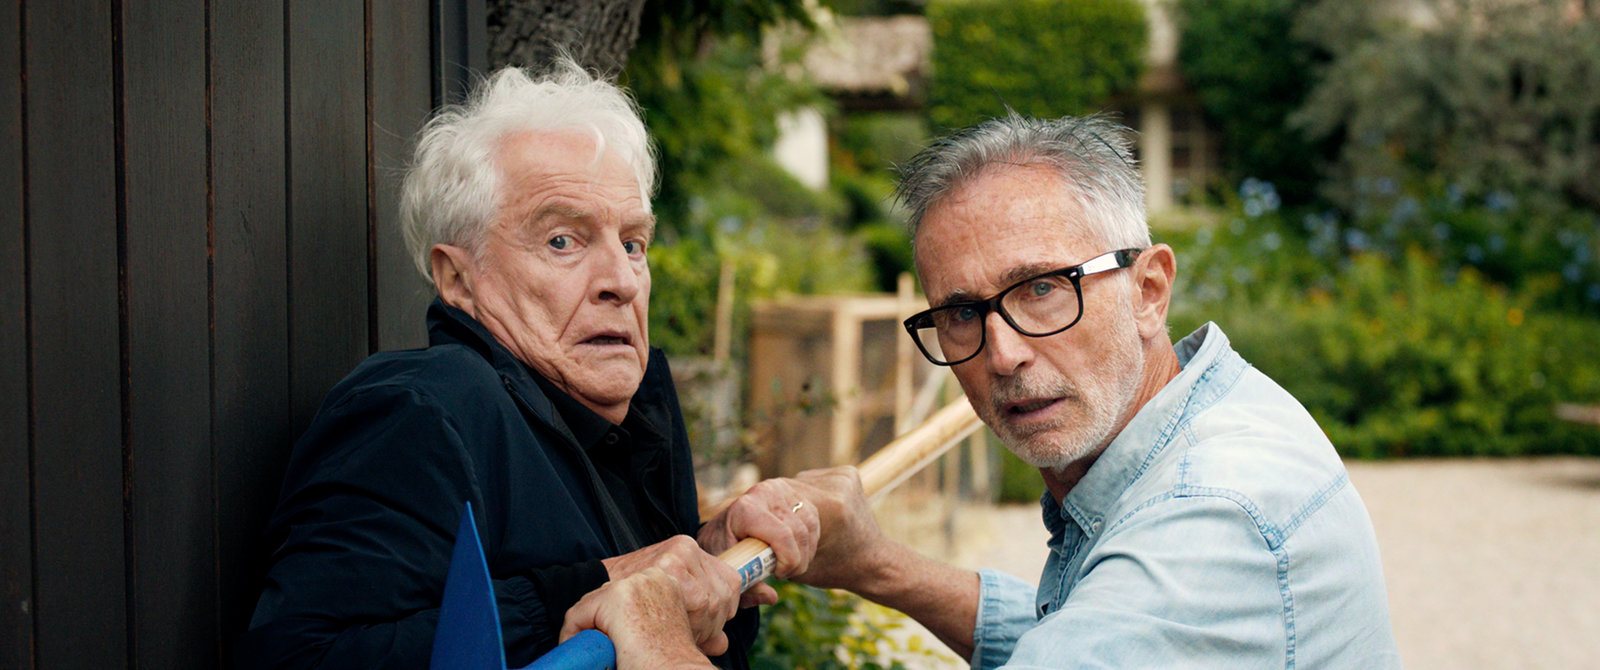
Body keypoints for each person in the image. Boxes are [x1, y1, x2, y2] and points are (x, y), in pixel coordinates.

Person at [569, 112, 1402, 669]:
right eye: (963, 312)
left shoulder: (1212, 520)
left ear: (1149, 290)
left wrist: (656, 642)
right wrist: (874, 564)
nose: (1002, 354)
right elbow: (1068, 637)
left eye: (1042, 289)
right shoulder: (1211, 416)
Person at [235, 60, 818, 669]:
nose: (622, 281)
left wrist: (709, 556)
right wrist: (587, 592)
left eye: (632, 244)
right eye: (563, 241)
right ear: (458, 278)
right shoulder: (424, 411)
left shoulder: (626, 414)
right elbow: (297, 658)